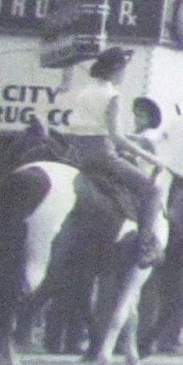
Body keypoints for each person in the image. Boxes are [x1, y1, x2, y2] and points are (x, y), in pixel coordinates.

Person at [61, 47, 165, 267]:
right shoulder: (112, 95)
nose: (125, 73)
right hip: (103, 156)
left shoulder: (84, 91)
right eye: (124, 69)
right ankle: (145, 246)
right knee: (153, 190)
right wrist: (151, 157)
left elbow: (92, 127)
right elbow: (116, 137)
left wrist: (132, 141)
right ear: (117, 70)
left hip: (78, 153)